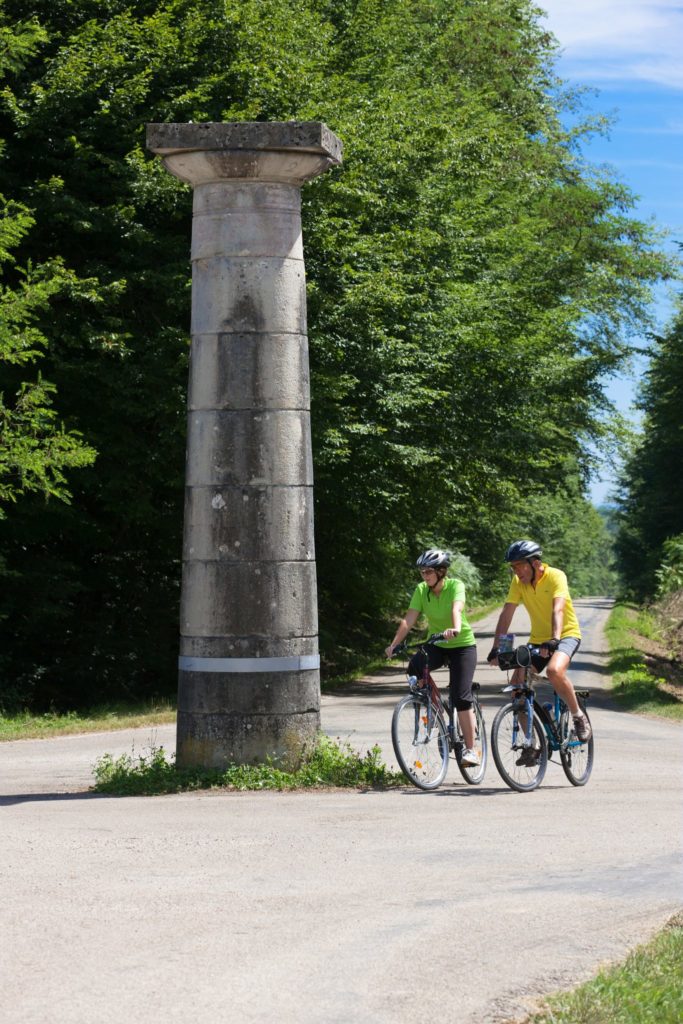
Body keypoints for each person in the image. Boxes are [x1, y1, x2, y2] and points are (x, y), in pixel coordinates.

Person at [487, 540, 592, 762]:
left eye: (518, 565)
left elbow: (558, 608)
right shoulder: (518, 582)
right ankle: (532, 745)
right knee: (518, 688)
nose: (515, 571)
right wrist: (499, 648)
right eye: (512, 567)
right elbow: (507, 614)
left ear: (535, 563)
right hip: (537, 640)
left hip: (566, 635)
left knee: (554, 671)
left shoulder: (556, 576)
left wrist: (555, 639)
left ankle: (578, 716)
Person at [386, 548, 481, 767]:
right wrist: (394, 644)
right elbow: (408, 620)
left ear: (441, 571)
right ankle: (433, 707)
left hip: (462, 645)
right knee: (414, 667)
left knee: (461, 697)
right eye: (422, 572)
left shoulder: (455, 586)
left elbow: (457, 609)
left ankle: (472, 749)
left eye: (428, 571)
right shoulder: (421, 590)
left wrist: (455, 628)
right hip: (437, 643)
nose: (425, 576)